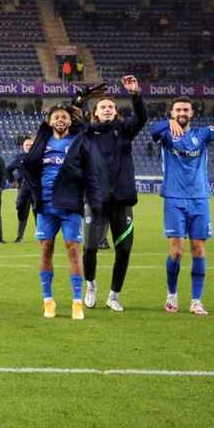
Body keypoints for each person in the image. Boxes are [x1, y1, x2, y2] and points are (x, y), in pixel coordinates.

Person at [151, 97, 214, 315]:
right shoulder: (166, 135)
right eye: (178, 109)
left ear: (192, 113)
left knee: (198, 250)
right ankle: (172, 296)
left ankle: (196, 301)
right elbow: (152, 129)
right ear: (172, 113)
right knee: (176, 252)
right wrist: (166, 123)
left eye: (186, 109)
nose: (182, 112)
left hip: (199, 199)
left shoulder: (202, 134)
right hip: (173, 198)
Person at [23, 104, 105, 320]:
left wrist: (95, 203)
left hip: (70, 204)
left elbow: (91, 173)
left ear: (71, 121)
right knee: (46, 249)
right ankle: (48, 300)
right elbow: (30, 167)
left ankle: (77, 302)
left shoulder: (79, 141)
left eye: (64, 117)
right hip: (45, 205)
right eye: (56, 117)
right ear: (49, 121)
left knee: (73, 250)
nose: (60, 120)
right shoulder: (43, 142)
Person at [81, 76, 147, 312]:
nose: (107, 109)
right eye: (103, 107)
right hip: (95, 199)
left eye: (111, 107)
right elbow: (73, 117)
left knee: (124, 249)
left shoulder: (125, 130)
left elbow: (142, 118)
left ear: (115, 111)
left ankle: (114, 295)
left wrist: (136, 94)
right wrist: (84, 98)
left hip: (122, 199)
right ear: (95, 113)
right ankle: (90, 285)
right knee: (89, 249)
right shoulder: (87, 133)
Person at [5, 137, 35, 243]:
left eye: (31, 145)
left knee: (38, 213)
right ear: (23, 147)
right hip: (23, 189)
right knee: (22, 211)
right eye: (27, 145)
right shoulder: (19, 158)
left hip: (37, 190)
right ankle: (19, 236)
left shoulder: (40, 157)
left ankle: (42, 236)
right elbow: (8, 169)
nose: (29, 147)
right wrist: (12, 181)